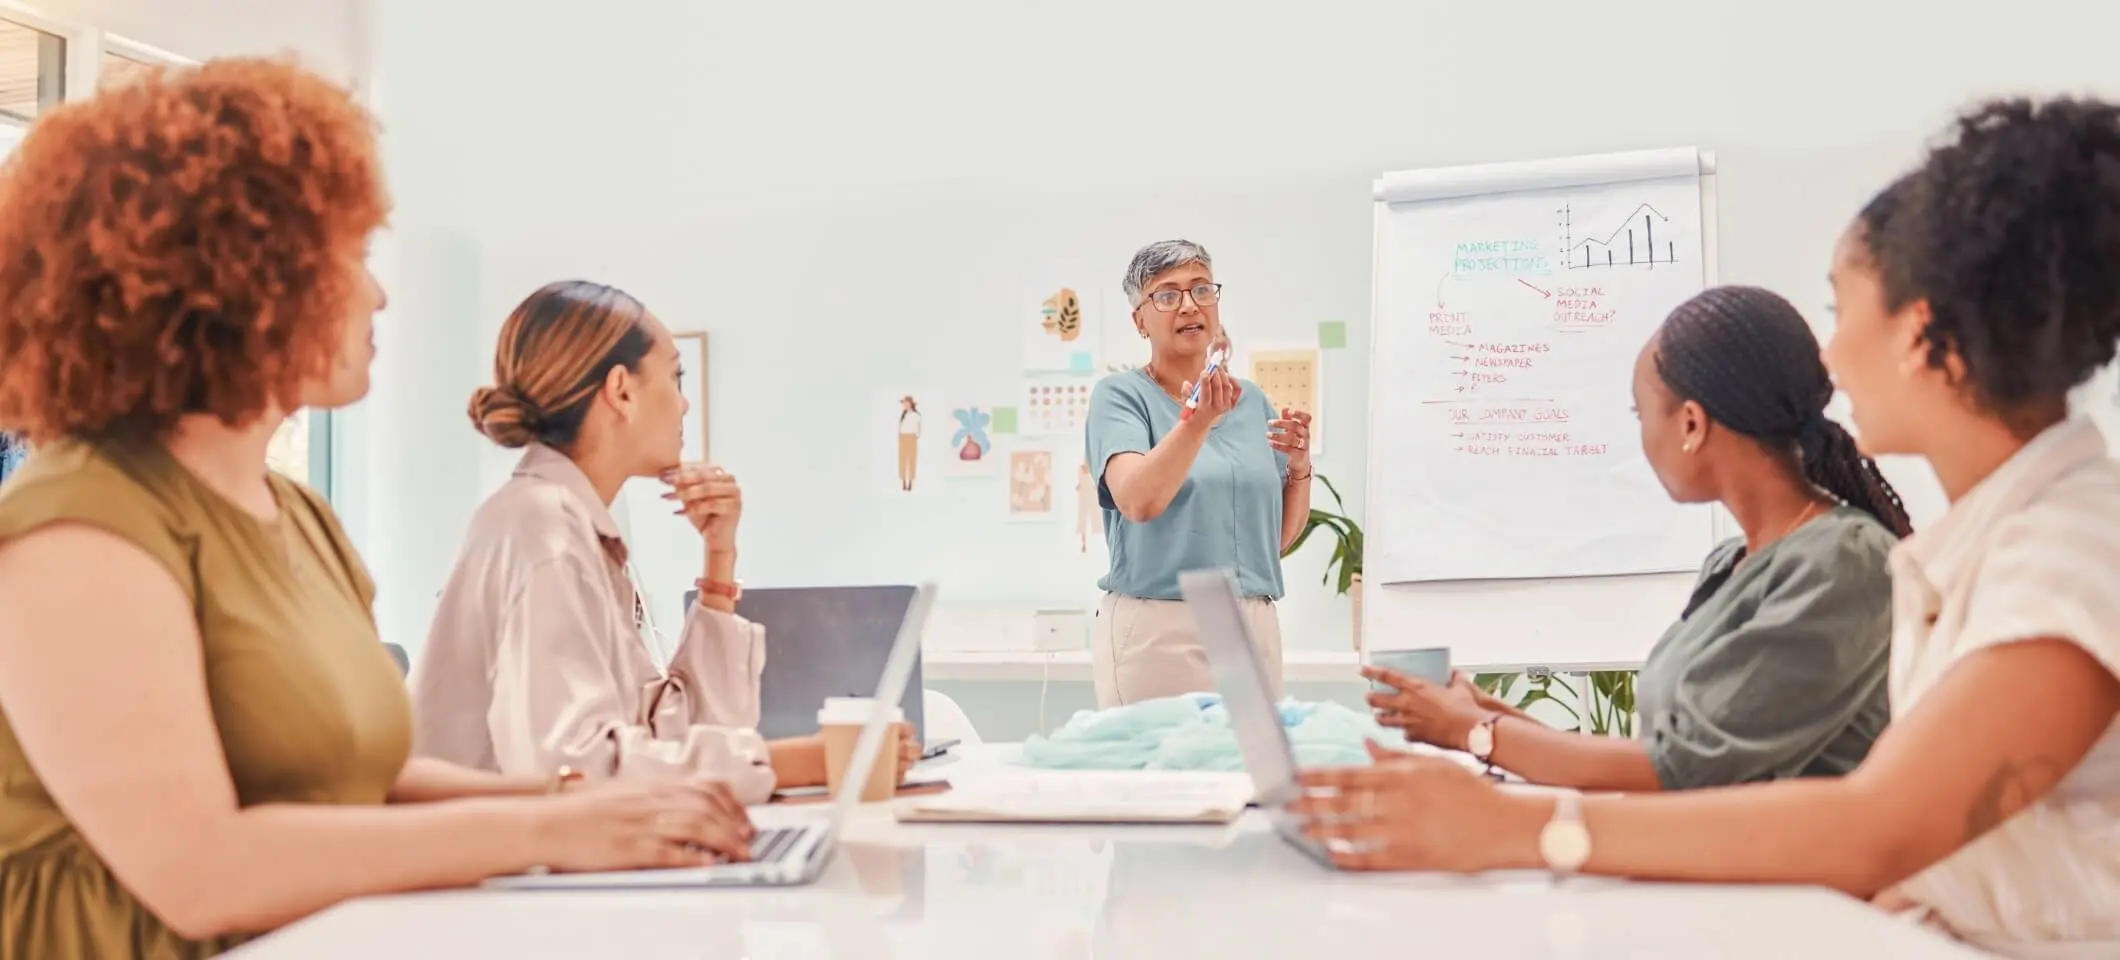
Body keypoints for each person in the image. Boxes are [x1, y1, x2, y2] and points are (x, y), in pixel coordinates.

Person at [1295, 98, 2120, 956]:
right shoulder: (1997, 543)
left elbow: (1873, 826)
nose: (1829, 358)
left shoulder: (2067, 556)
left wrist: (1515, 825)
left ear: (1919, 333)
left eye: (1840, 312)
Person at [0, 59, 751, 960]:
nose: (378, 293)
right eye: (350, 258)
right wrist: (551, 831)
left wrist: (596, 805)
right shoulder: (76, 524)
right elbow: (197, 870)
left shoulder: (295, 513)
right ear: (233, 282)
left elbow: (370, 781)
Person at [1367, 285, 1912, 792]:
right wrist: (1486, 713)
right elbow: (1666, 756)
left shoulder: (1844, 561)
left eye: (1640, 413)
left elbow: (1685, 770)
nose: (1642, 435)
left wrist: (1475, 731)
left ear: (1691, 423)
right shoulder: (1730, 563)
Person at [411, 280, 919, 804]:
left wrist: (719, 556)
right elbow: (576, 772)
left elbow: (677, 732)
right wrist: (808, 762)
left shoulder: (568, 525)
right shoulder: (543, 530)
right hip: (501, 852)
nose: (683, 403)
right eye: (675, 377)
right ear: (621, 391)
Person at [1085, 239, 1315, 707]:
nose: (1189, 305)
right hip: (1162, 625)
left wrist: (1299, 467)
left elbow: (1273, 543)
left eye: (1201, 289)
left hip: (1251, 620)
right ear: (1140, 321)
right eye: (1167, 295)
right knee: (1163, 757)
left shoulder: (1250, 401)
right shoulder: (1121, 397)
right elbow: (1137, 500)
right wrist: (1197, 421)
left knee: (1254, 756)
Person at [896, 395, 921, 491]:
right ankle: (903, 482)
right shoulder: (903, 415)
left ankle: (910, 482)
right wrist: (900, 436)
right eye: (904, 403)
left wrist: (915, 436)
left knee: (911, 460)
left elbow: (919, 428)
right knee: (902, 459)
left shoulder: (916, 415)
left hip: (911, 438)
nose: (905, 405)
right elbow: (900, 427)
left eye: (906, 403)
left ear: (911, 404)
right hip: (903, 437)